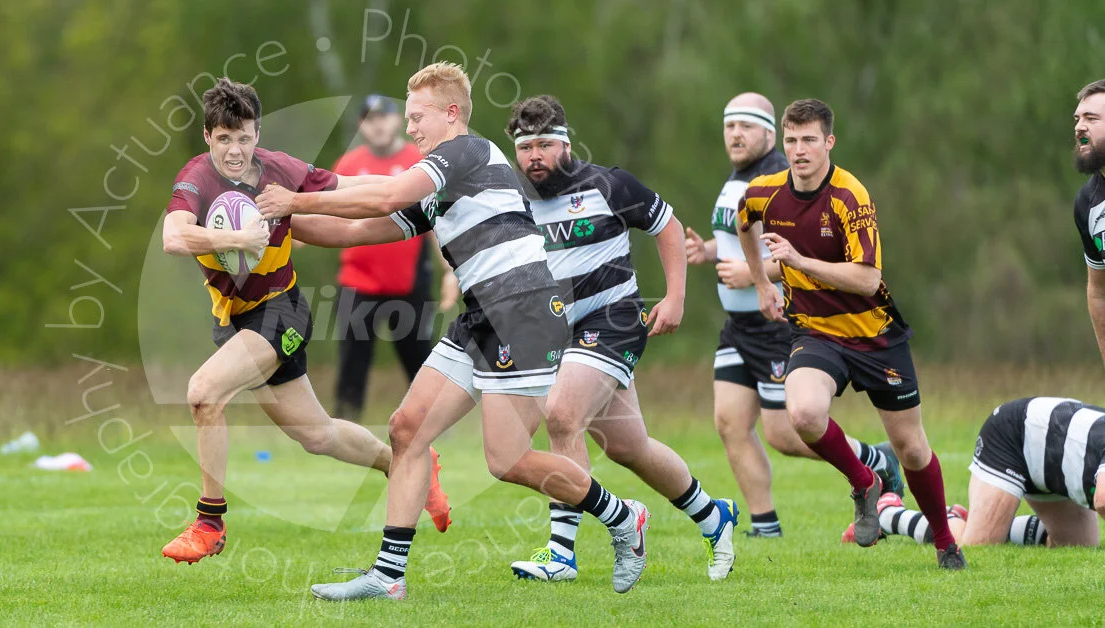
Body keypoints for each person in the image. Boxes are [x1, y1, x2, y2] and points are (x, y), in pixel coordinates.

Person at [258, 62, 652, 601]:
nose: (410, 128)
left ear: (450, 114)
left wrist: (293, 199)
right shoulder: (438, 182)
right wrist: (267, 222)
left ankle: (623, 517)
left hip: (525, 310)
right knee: (406, 428)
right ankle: (388, 577)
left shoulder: (466, 152)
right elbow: (357, 229)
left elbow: (381, 197)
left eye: (417, 116)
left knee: (507, 461)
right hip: (482, 315)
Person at [157, 78, 450, 565]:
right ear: (207, 136)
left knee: (203, 392)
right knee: (318, 435)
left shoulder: (278, 169)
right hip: (235, 320)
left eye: (245, 137)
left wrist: (429, 180)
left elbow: (354, 187)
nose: (236, 150)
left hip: (281, 310)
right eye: (225, 138)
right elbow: (173, 237)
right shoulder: (196, 178)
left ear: (257, 133)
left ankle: (210, 521)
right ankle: (408, 463)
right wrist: (234, 241)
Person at [499, 95, 738, 584]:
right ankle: (716, 518)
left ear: (565, 143)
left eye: (545, 144)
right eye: (525, 148)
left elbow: (667, 226)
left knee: (562, 416)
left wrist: (674, 297)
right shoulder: (515, 200)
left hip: (615, 319)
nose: (535, 157)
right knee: (630, 448)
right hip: (558, 331)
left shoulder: (607, 184)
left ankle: (561, 553)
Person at [737, 98, 964, 569]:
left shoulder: (849, 196)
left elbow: (867, 278)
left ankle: (945, 542)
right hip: (816, 333)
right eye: (792, 140)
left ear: (829, 143)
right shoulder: (764, 191)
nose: (799, 151)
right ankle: (864, 483)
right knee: (801, 413)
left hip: (875, 335)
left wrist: (796, 262)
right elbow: (745, 222)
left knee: (911, 448)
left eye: (809, 141)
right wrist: (761, 282)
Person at [684, 93, 901, 539]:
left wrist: (755, 277)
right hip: (738, 328)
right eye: (729, 126)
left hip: (776, 323)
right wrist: (706, 251)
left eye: (746, 126)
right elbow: (739, 235)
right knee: (729, 423)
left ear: (770, 134)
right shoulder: (740, 177)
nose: (736, 134)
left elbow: (798, 253)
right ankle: (765, 525)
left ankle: (875, 462)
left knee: (785, 434)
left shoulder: (782, 180)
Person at [329, 95, 458, 421]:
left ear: (397, 120)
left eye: (384, 116)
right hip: (357, 283)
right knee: (352, 361)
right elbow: (326, 212)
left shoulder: (420, 160)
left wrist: (449, 271)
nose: (378, 124)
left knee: (419, 358)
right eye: (370, 119)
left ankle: (435, 420)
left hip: (409, 282)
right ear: (362, 125)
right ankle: (344, 427)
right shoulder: (348, 165)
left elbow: (435, 224)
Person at [877, 397, 1102, 548]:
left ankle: (981, 518)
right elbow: (1101, 499)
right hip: (1013, 436)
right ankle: (890, 513)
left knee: (1080, 545)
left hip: (1053, 462)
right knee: (977, 544)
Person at [1071, 80, 1105, 370]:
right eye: (1077, 119)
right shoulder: (1087, 203)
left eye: (1092, 118)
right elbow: (1098, 292)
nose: (1079, 126)